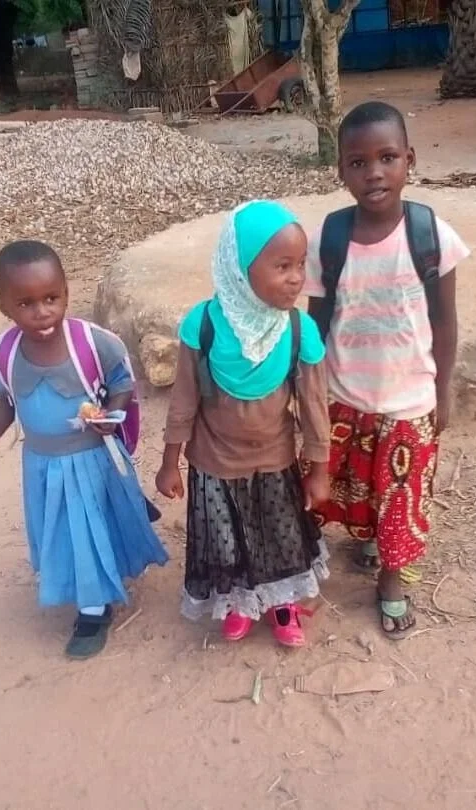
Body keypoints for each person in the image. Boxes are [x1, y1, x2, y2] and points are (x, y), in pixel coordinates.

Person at [304, 102, 470, 639]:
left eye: (387, 157)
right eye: (358, 162)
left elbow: (444, 322)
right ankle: (355, 543)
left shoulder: (431, 235)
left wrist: (443, 391)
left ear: (409, 161)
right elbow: (316, 325)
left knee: (400, 494)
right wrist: (307, 393)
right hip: (344, 394)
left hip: (409, 398)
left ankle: (391, 581)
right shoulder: (330, 239)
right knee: (345, 482)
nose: (373, 172)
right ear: (341, 171)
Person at [0, 240, 168, 660]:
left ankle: (93, 612)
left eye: (51, 298)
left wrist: (109, 414)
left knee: (87, 525)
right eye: (25, 303)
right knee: (65, 528)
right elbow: (8, 400)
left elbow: (122, 384)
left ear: (65, 292)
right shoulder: (4, 352)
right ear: (3, 305)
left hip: (91, 460)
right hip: (41, 465)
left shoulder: (92, 343)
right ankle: (93, 580)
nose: (42, 312)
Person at [155, 200, 331, 648]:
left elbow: (314, 405)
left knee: (280, 536)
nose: (296, 277)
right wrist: (170, 463)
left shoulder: (298, 330)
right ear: (239, 268)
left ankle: (282, 604)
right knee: (225, 540)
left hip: (275, 460)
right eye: (282, 266)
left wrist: (319, 468)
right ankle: (237, 603)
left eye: (300, 264)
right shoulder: (204, 325)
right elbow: (183, 399)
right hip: (214, 462)